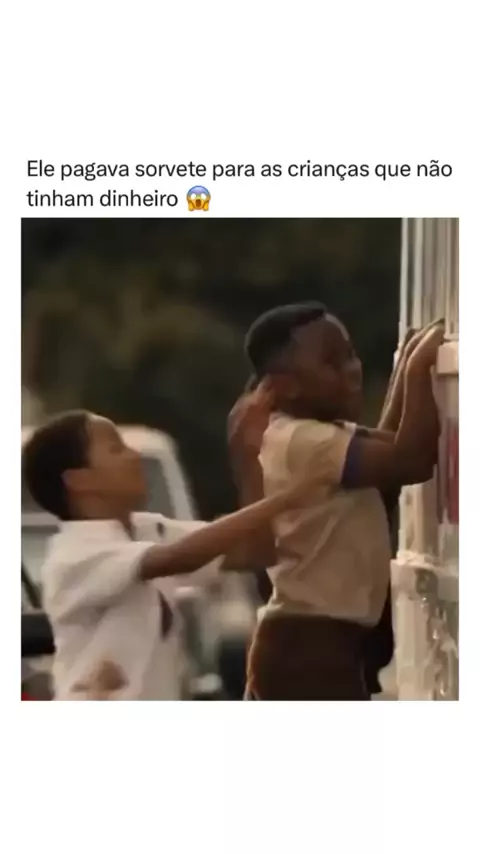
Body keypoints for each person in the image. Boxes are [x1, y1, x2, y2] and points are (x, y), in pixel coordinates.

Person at [22, 410, 323, 700]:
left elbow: (254, 551)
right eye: (116, 449)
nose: (133, 456)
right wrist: (286, 498)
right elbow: (179, 558)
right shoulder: (75, 553)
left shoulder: (148, 529)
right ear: (79, 480)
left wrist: (251, 460)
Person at [232, 302, 442, 700]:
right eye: (332, 361)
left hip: (315, 644)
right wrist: (419, 367)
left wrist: (406, 367)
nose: (352, 369)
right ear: (285, 386)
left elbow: (388, 461)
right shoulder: (302, 441)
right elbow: (410, 460)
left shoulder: (311, 432)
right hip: (310, 649)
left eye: (351, 354)